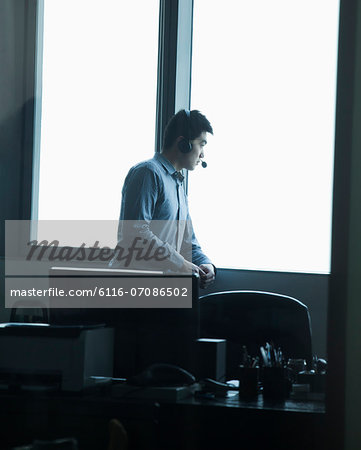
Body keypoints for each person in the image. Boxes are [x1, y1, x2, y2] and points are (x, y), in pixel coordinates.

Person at [110, 109, 216, 289]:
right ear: (184, 144)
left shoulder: (178, 186)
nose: (203, 154)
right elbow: (136, 234)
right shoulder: (148, 173)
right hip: (133, 288)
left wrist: (206, 264)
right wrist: (181, 264)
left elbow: (188, 242)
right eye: (201, 144)